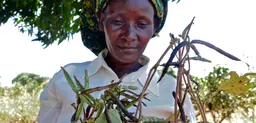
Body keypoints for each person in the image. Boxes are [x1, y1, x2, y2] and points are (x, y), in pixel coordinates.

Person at [37, 0, 196, 122]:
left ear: (154, 26)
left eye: (141, 24)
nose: (129, 35)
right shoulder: (66, 79)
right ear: (101, 21)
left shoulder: (173, 91)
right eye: (118, 22)